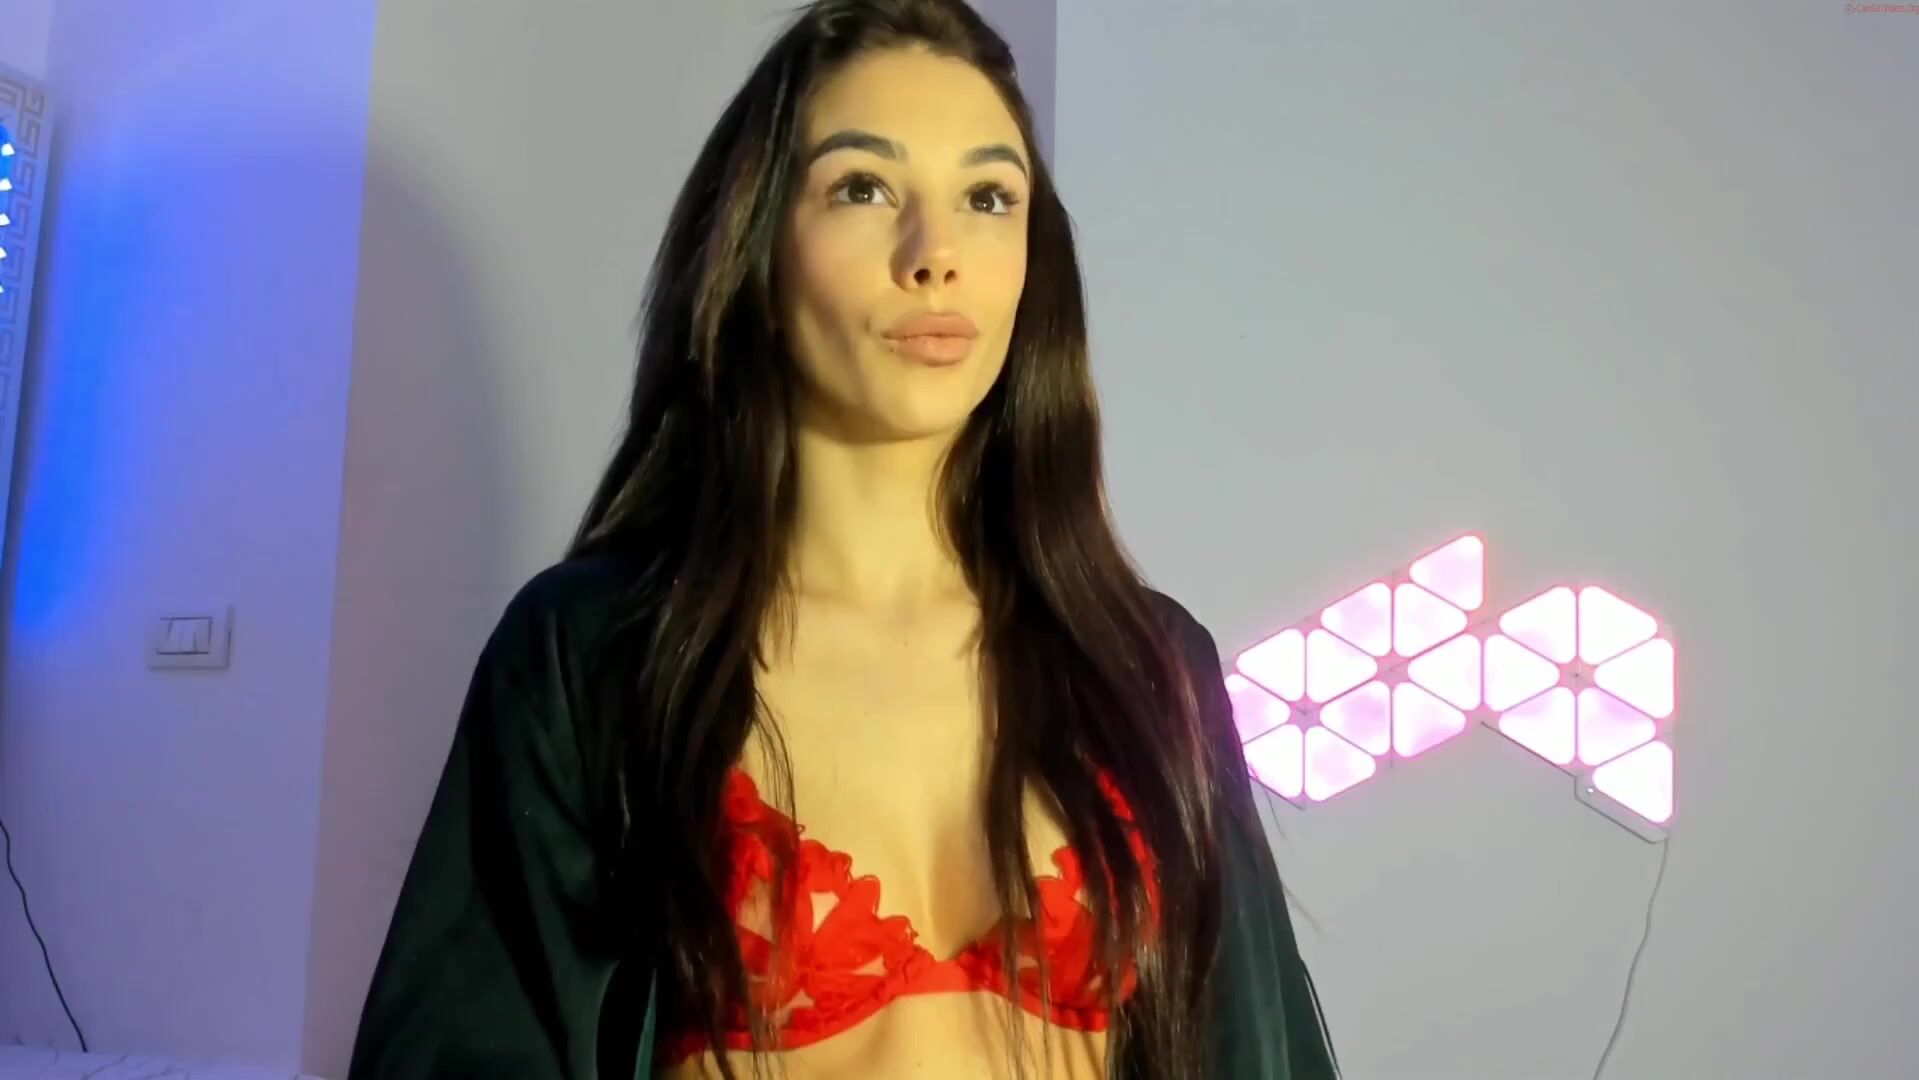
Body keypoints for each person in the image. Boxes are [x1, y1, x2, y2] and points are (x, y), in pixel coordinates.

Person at [347, 1, 1336, 1077]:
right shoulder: (594, 656)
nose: (934, 254)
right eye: (863, 188)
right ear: (756, 249)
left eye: (987, 197)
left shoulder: (1147, 667)